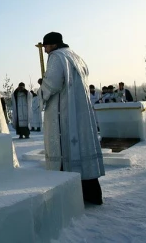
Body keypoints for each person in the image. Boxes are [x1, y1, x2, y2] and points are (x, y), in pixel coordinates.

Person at [39, 32, 104, 205]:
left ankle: (70, 197)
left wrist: (41, 90)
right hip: (80, 112)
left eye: (46, 46)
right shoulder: (75, 56)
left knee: (65, 151)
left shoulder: (56, 57)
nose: (44, 49)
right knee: (81, 152)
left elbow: (52, 83)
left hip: (65, 113)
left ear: (52, 45)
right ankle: (92, 193)